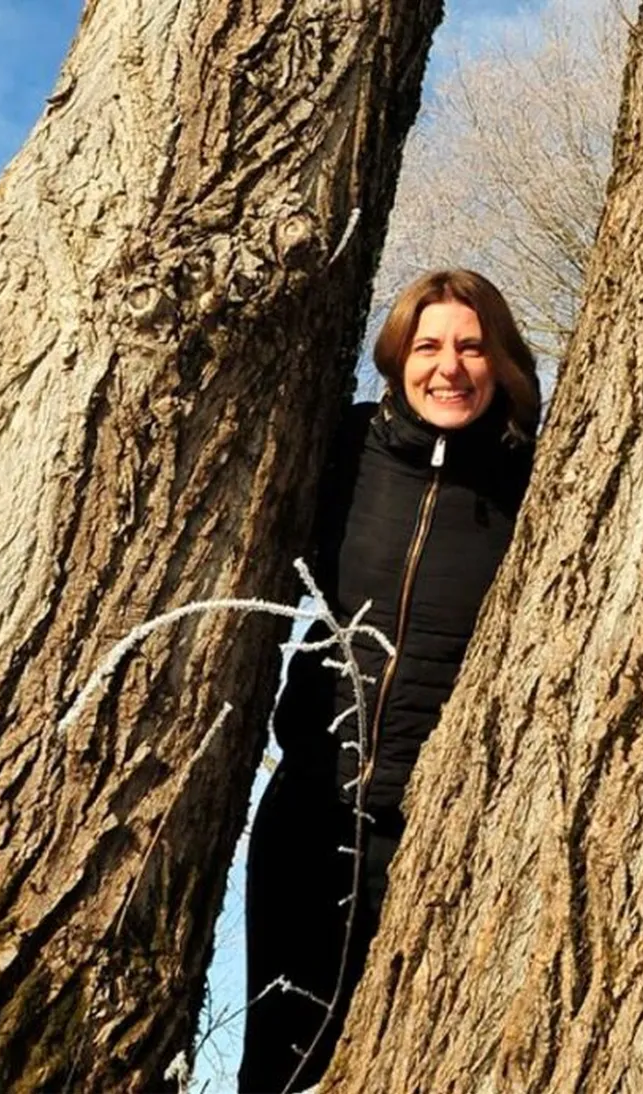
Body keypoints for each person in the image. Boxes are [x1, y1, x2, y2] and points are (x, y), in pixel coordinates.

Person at [237, 270, 542, 1092]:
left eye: (473, 347)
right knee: (282, 1062)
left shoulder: (536, 484)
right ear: (398, 358)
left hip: (440, 828)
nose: (450, 367)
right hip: (311, 805)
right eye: (429, 346)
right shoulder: (345, 449)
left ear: (503, 362)